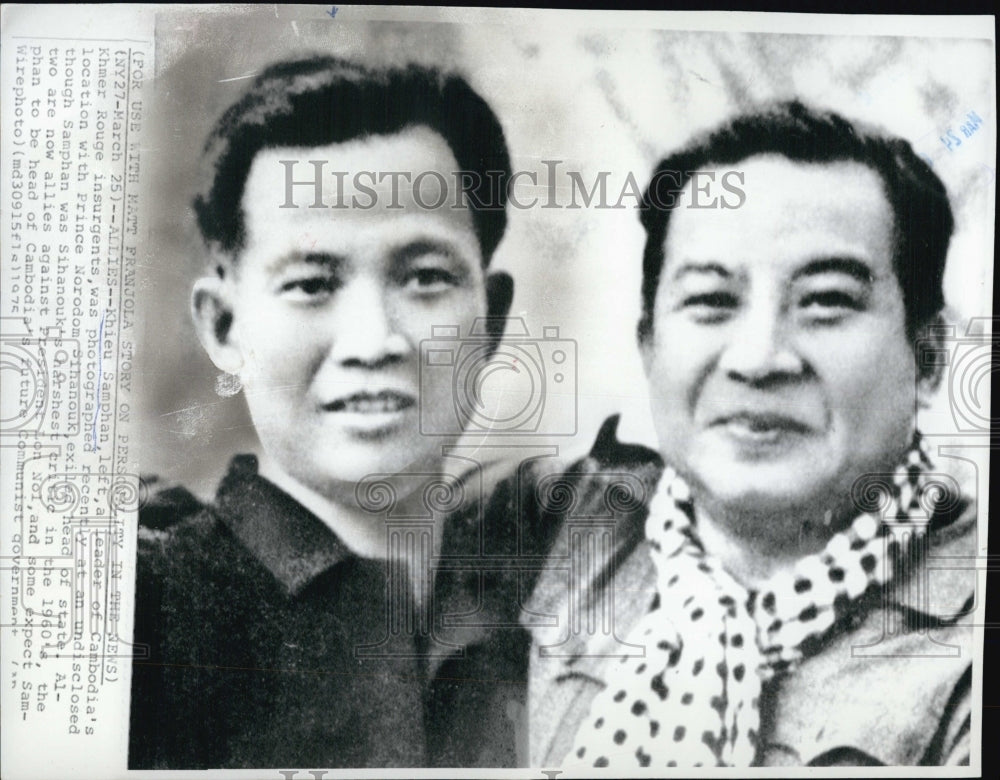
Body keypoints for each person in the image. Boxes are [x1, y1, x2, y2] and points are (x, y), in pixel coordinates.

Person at [525, 101, 976, 767]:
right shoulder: (566, 528)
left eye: (826, 300)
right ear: (649, 346)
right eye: (711, 301)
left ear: (928, 357)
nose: (759, 358)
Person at [129, 55, 547, 768]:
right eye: (311, 283)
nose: (374, 341)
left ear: (493, 319)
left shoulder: (567, 603)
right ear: (225, 328)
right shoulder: (139, 616)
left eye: (424, 278)